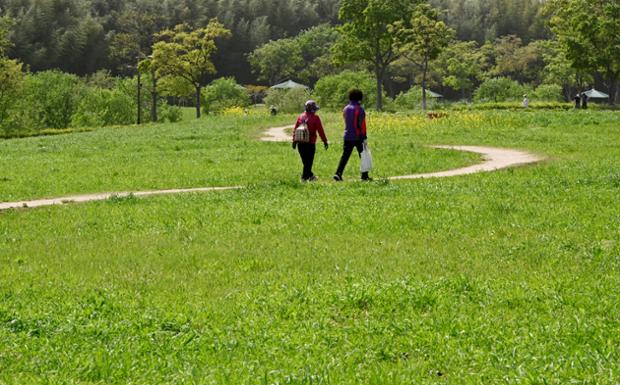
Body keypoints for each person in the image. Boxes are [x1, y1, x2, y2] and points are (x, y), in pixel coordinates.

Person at [333, 89, 371, 181]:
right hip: (358, 137)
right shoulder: (360, 109)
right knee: (363, 155)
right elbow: (362, 125)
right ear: (360, 98)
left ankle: (338, 174)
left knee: (345, 156)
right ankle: (364, 175)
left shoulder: (345, 109)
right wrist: (364, 136)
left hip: (347, 136)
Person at [292, 100, 328, 182]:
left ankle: (311, 177)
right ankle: (304, 178)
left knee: (305, 162)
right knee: (308, 162)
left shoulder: (300, 117)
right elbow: (320, 131)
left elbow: (295, 129)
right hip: (310, 143)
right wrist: (325, 141)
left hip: (300, 143)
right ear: (313, 109)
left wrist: (294, 141)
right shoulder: (316, 118)